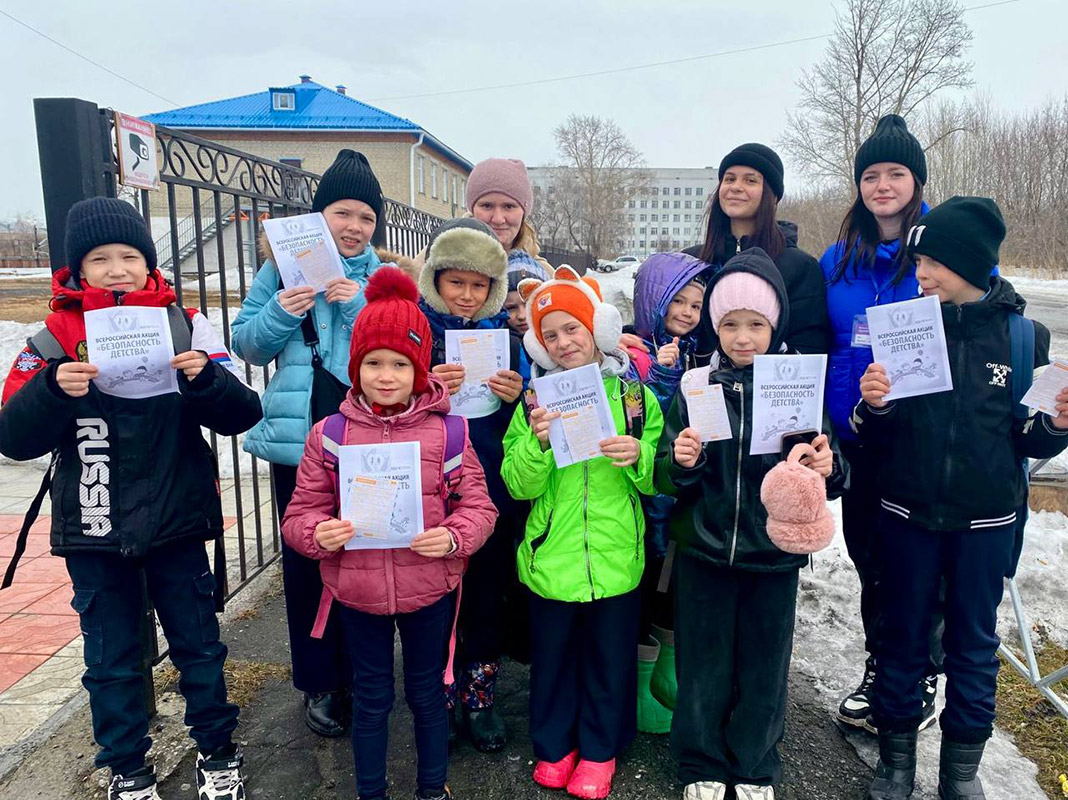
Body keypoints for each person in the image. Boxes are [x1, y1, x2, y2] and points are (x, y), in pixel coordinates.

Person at [0, 197, 263, 800]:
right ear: (78, 269)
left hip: (178, 518)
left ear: (148, 263)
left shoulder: (186, 324)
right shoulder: (52, 337)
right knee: (110, 659)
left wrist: (205, 379)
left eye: (129, 256)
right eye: (100, 259)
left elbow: (242, 413)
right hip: (94, 524)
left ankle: (218, 753)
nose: (117, 269)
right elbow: (12, 437)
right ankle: (126, 768)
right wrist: (50, 389)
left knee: (199, 647)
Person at [853, 197, 1068, 800]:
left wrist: (1057, 424)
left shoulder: (1024, 337)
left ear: (969, 263)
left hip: (986, 524)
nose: (920, 273)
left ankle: (962, 773)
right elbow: (877, 437)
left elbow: (1027, 437)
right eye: (918, 262)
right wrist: (874, 405)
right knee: (901, 639)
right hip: (908, 516)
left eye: (932, 263)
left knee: (974, 647)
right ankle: (895, 764)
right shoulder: (908, 327)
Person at [281, 266, 497, 800]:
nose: (385, 375)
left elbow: (479, 507)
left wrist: (453, 538)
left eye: (400, 363)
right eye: (372, 362)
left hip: (429, 588)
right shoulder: (330, 435)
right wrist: (318, 534)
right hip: (357, 592)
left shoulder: (449, 432)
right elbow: (299, 514)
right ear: (355, 367)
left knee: (428, 695)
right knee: (372, 699)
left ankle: (432, 790)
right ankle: (371, 792)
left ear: (419, 368)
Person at [655, 248, 848, 800]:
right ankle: (701, 762)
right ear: (716, 327)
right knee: (703, 664)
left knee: (765, 666)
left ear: (775, 325)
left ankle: (755, 764)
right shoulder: (697, 386)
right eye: (731, 324)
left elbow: (832, 473)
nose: (743, 338)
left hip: (774, 554)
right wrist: (682, 462)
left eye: (756, 324)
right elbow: (666, 474)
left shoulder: (797, 386)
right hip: (704, 549)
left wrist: (827, 467)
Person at [231, 149, 386, 738]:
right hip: (299, 445)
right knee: (307, 564)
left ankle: (365, 673)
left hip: (363, 441)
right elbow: (248, 344)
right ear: (320, 217)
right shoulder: (279, 271)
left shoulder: (382, 280)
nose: (354, 227)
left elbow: (403, 352)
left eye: (366, 217)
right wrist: (279, 310)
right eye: (343, 213)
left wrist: (359, 305)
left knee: (365, 557)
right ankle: (320, 681)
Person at [501, 266, 664, 799]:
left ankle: (599, 750)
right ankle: (554, 745)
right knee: (553, 661)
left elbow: (658, 477)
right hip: (553, 557)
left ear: (597, 329)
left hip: (616, 558)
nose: (564, 342)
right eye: (550, 335)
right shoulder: (534, 403)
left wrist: (638, 455)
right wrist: (539, 445)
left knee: (608, 661)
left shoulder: (635, 398)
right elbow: (517, 484)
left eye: (573, 328)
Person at [818, 114, 942, 733]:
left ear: (916, 181)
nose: (883, 185)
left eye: (896, 173)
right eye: (871, 175)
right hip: (858, 436)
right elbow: (819, 337)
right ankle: (880, 666)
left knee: (916, 561)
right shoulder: (838, 260)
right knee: (869, 556)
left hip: (919, 437)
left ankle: (921, 673)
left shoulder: (941, 250)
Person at [417, 217, 527, 751]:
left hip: (489, 489)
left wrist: (516, 395)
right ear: (435, 279)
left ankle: (479, 698)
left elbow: (528, 421)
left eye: (479, 285)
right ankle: (435, 699)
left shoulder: (508, 340)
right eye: (455, 282)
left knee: (487, 594)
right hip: (430, 488)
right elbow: (383, 396)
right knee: (434, 597)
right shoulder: (414, 331)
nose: (466, 295)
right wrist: (426, 386)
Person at [623, 251, 712, 734]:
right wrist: (659, 374)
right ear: (654, 299)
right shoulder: (632, 353)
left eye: (696, 305)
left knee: (669, 583)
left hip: (679, 494)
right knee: (645, 584)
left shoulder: (697, 350)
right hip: (643, 494)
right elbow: (638, 421)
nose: (687, 312)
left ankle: (663, 673)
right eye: (678, 300)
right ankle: (639, 684)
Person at [683, 143, 829, 356]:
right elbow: (661, 330)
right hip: (694, 378)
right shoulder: (690, 263)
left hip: (769, 378)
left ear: (772, 196)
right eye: (729, 179)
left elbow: (809, 349)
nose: (736, 187)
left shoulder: (800, 266)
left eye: (750, 180)